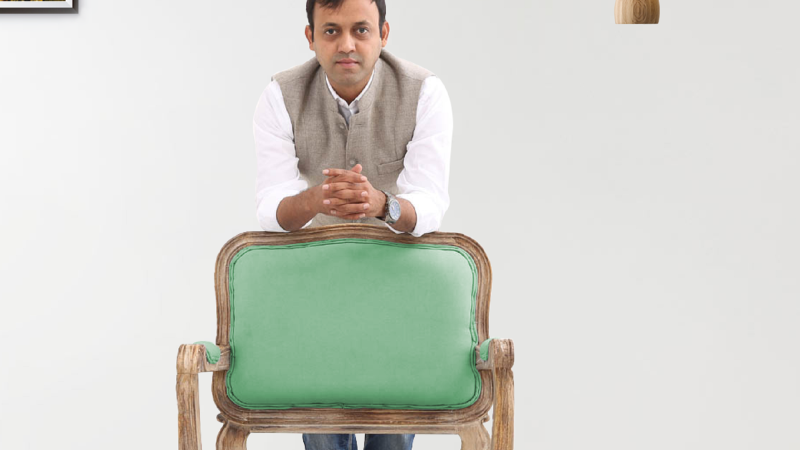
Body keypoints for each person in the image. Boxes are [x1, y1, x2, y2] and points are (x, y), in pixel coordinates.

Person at [253, 0, 453, 448]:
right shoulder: (280, 94)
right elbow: (270, 206)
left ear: (384, 34)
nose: (346, 44)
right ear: (311, 37)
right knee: (323, 434)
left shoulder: (424, 91)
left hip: (399, 282)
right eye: (331, 31)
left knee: (392, 438)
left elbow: (430, 202)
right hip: (315, 286)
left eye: (361, 30)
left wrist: (383, 205)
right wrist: (315, 199)